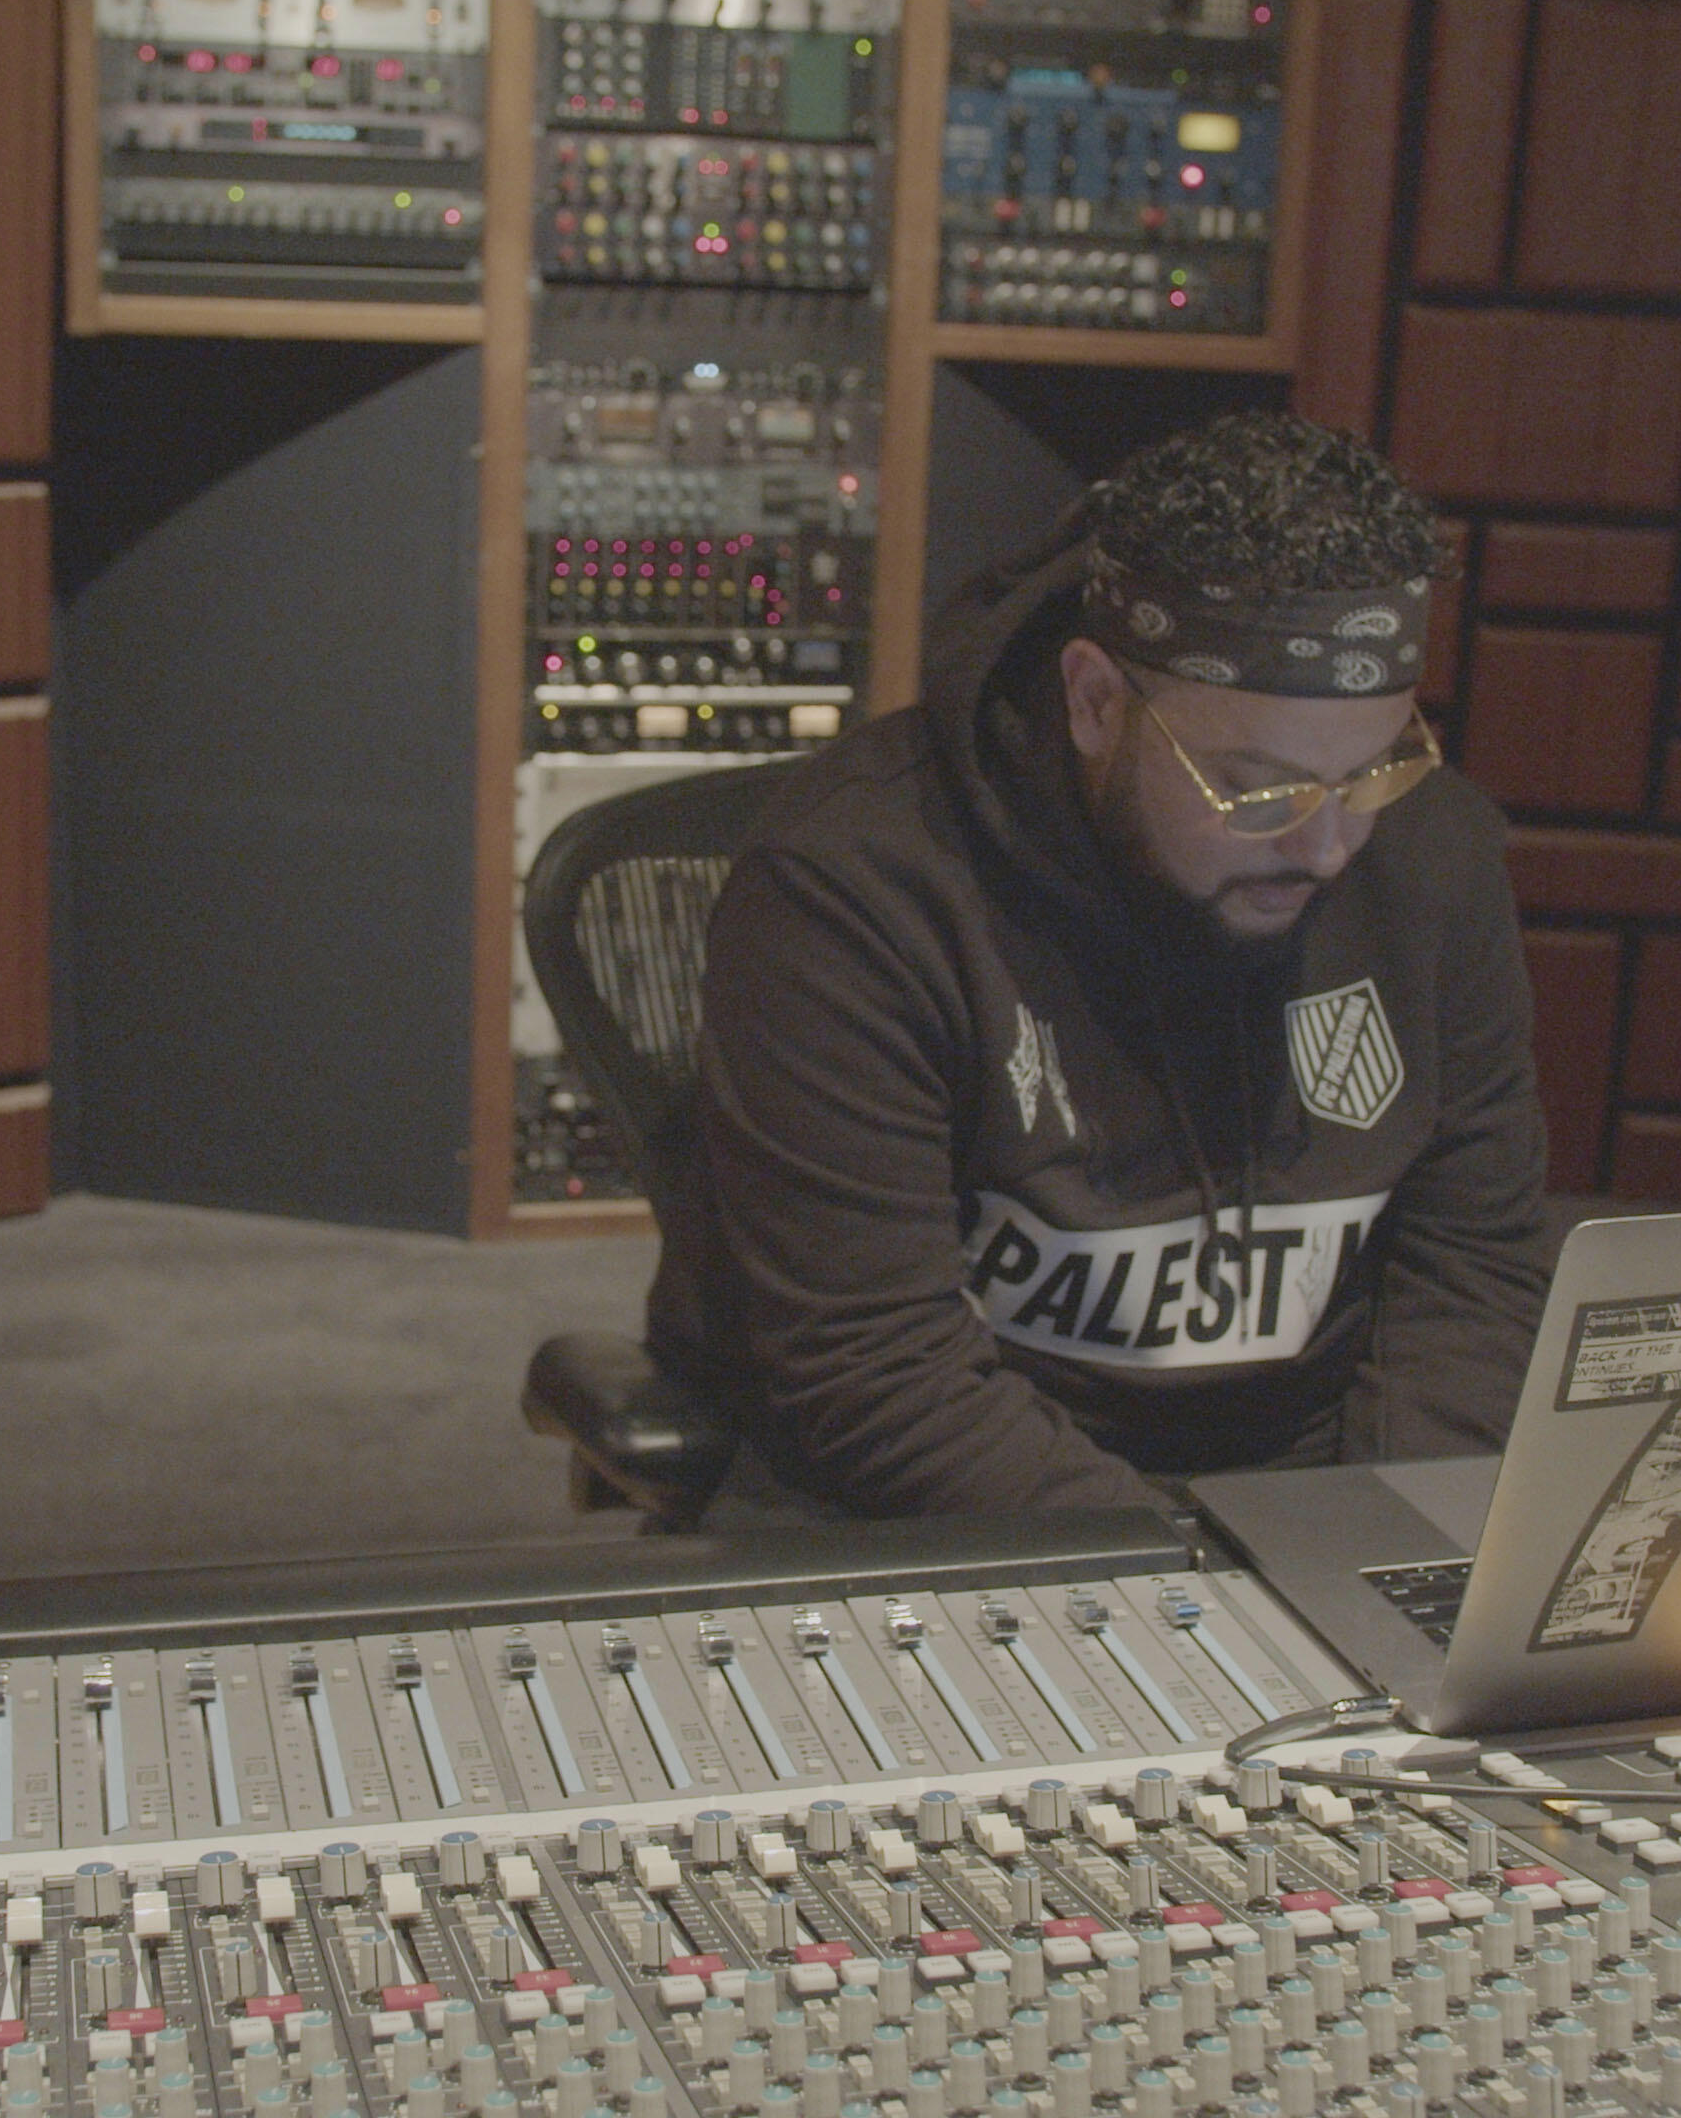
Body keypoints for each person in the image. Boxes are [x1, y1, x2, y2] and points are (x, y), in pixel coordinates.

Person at [643, 410, 1552, 1516]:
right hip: (948, 1509)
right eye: (1256, 788)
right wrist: (1202, 1602)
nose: (1327, 844)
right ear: (1095, 702)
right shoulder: (852, 885)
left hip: (1313, 1494)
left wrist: (1383, 1537)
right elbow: (875, 1374)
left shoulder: (1432, 853)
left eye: (1373, 769)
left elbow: (1475, 1268)